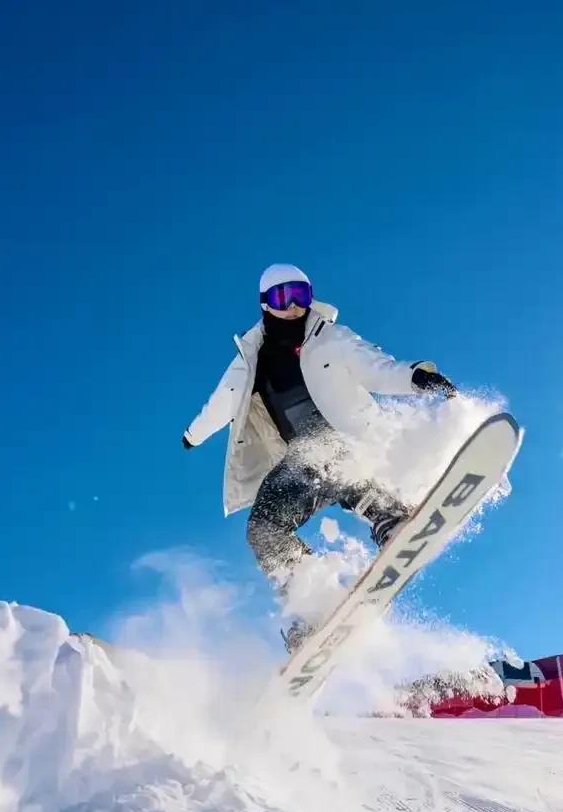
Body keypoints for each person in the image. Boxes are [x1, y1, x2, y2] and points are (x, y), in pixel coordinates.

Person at [182, 264, 456, 650]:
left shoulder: (331, 338)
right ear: (265, 303)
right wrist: (193, 435)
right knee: (262, 529)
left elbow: (376, 366)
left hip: (347, 439)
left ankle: (389, 517)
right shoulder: (249, 361)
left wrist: (415, 377)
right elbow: (222, 401)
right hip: (300, 458)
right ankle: (312, 603)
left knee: (338, 459)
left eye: (301, 294)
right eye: (282, 297)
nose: (293, 305)